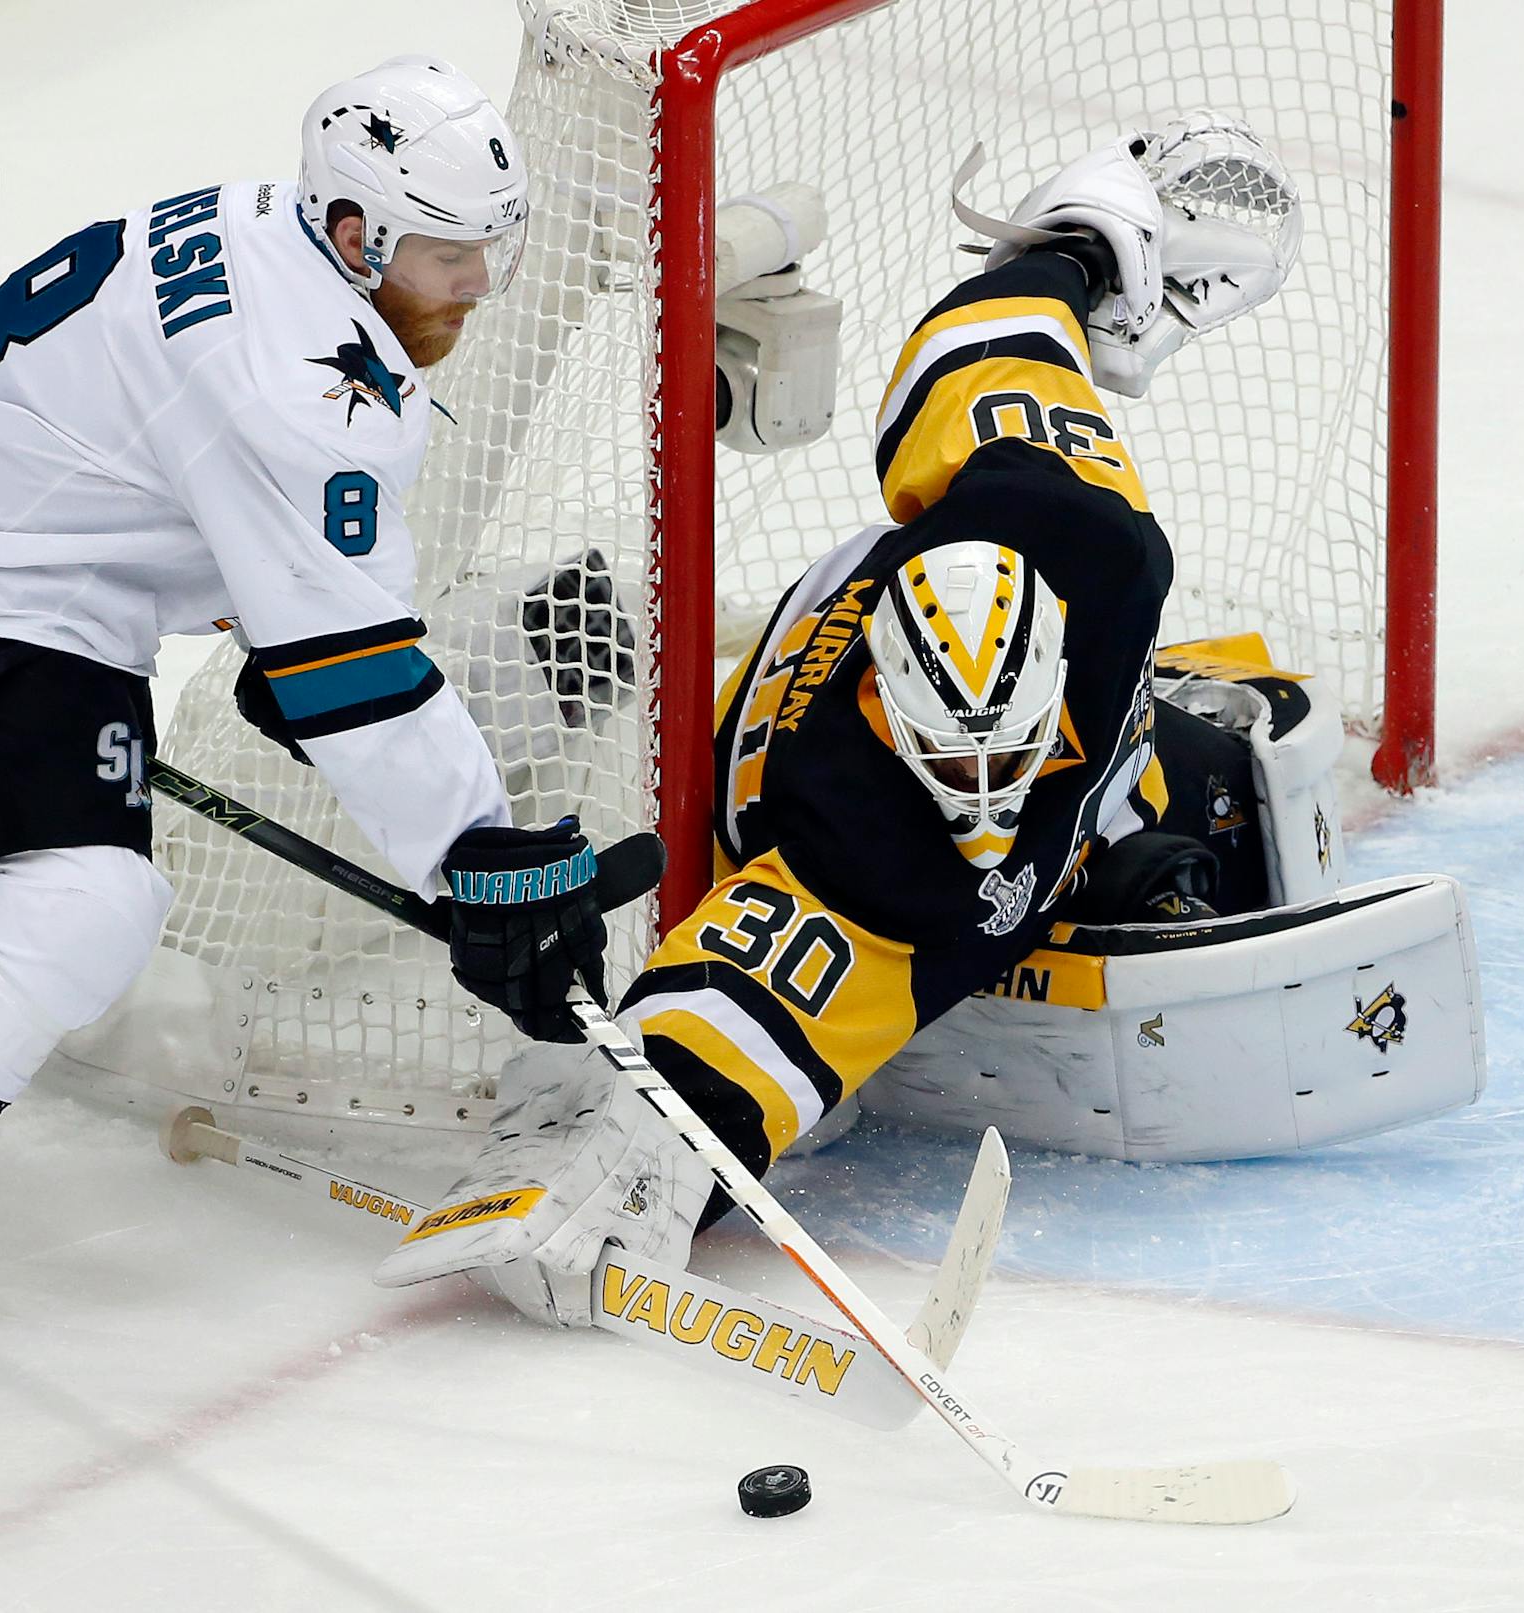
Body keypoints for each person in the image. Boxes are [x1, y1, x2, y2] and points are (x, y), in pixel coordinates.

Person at [0, 56, 619, 1379]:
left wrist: (286, 635)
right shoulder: (299, 378)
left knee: (20, 822)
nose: (479, 283)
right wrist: (474, 852)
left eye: (496, 247)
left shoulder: (273, 229)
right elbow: (348, 662)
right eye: (452, 254)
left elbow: (241, 519)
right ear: (357, 232)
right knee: (83, 898)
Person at [372, 118, 1326, 1324]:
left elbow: (976, 360)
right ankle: (552, 635)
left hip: (963, 626)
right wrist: (630, 1176)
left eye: (1002, 749)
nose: (978, 789)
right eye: (948, 754)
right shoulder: (870, 847)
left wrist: (1079, 249)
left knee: (1242, 760)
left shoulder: (1095, 552)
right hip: (756, 786)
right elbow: (731, 1034)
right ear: (894, 710)